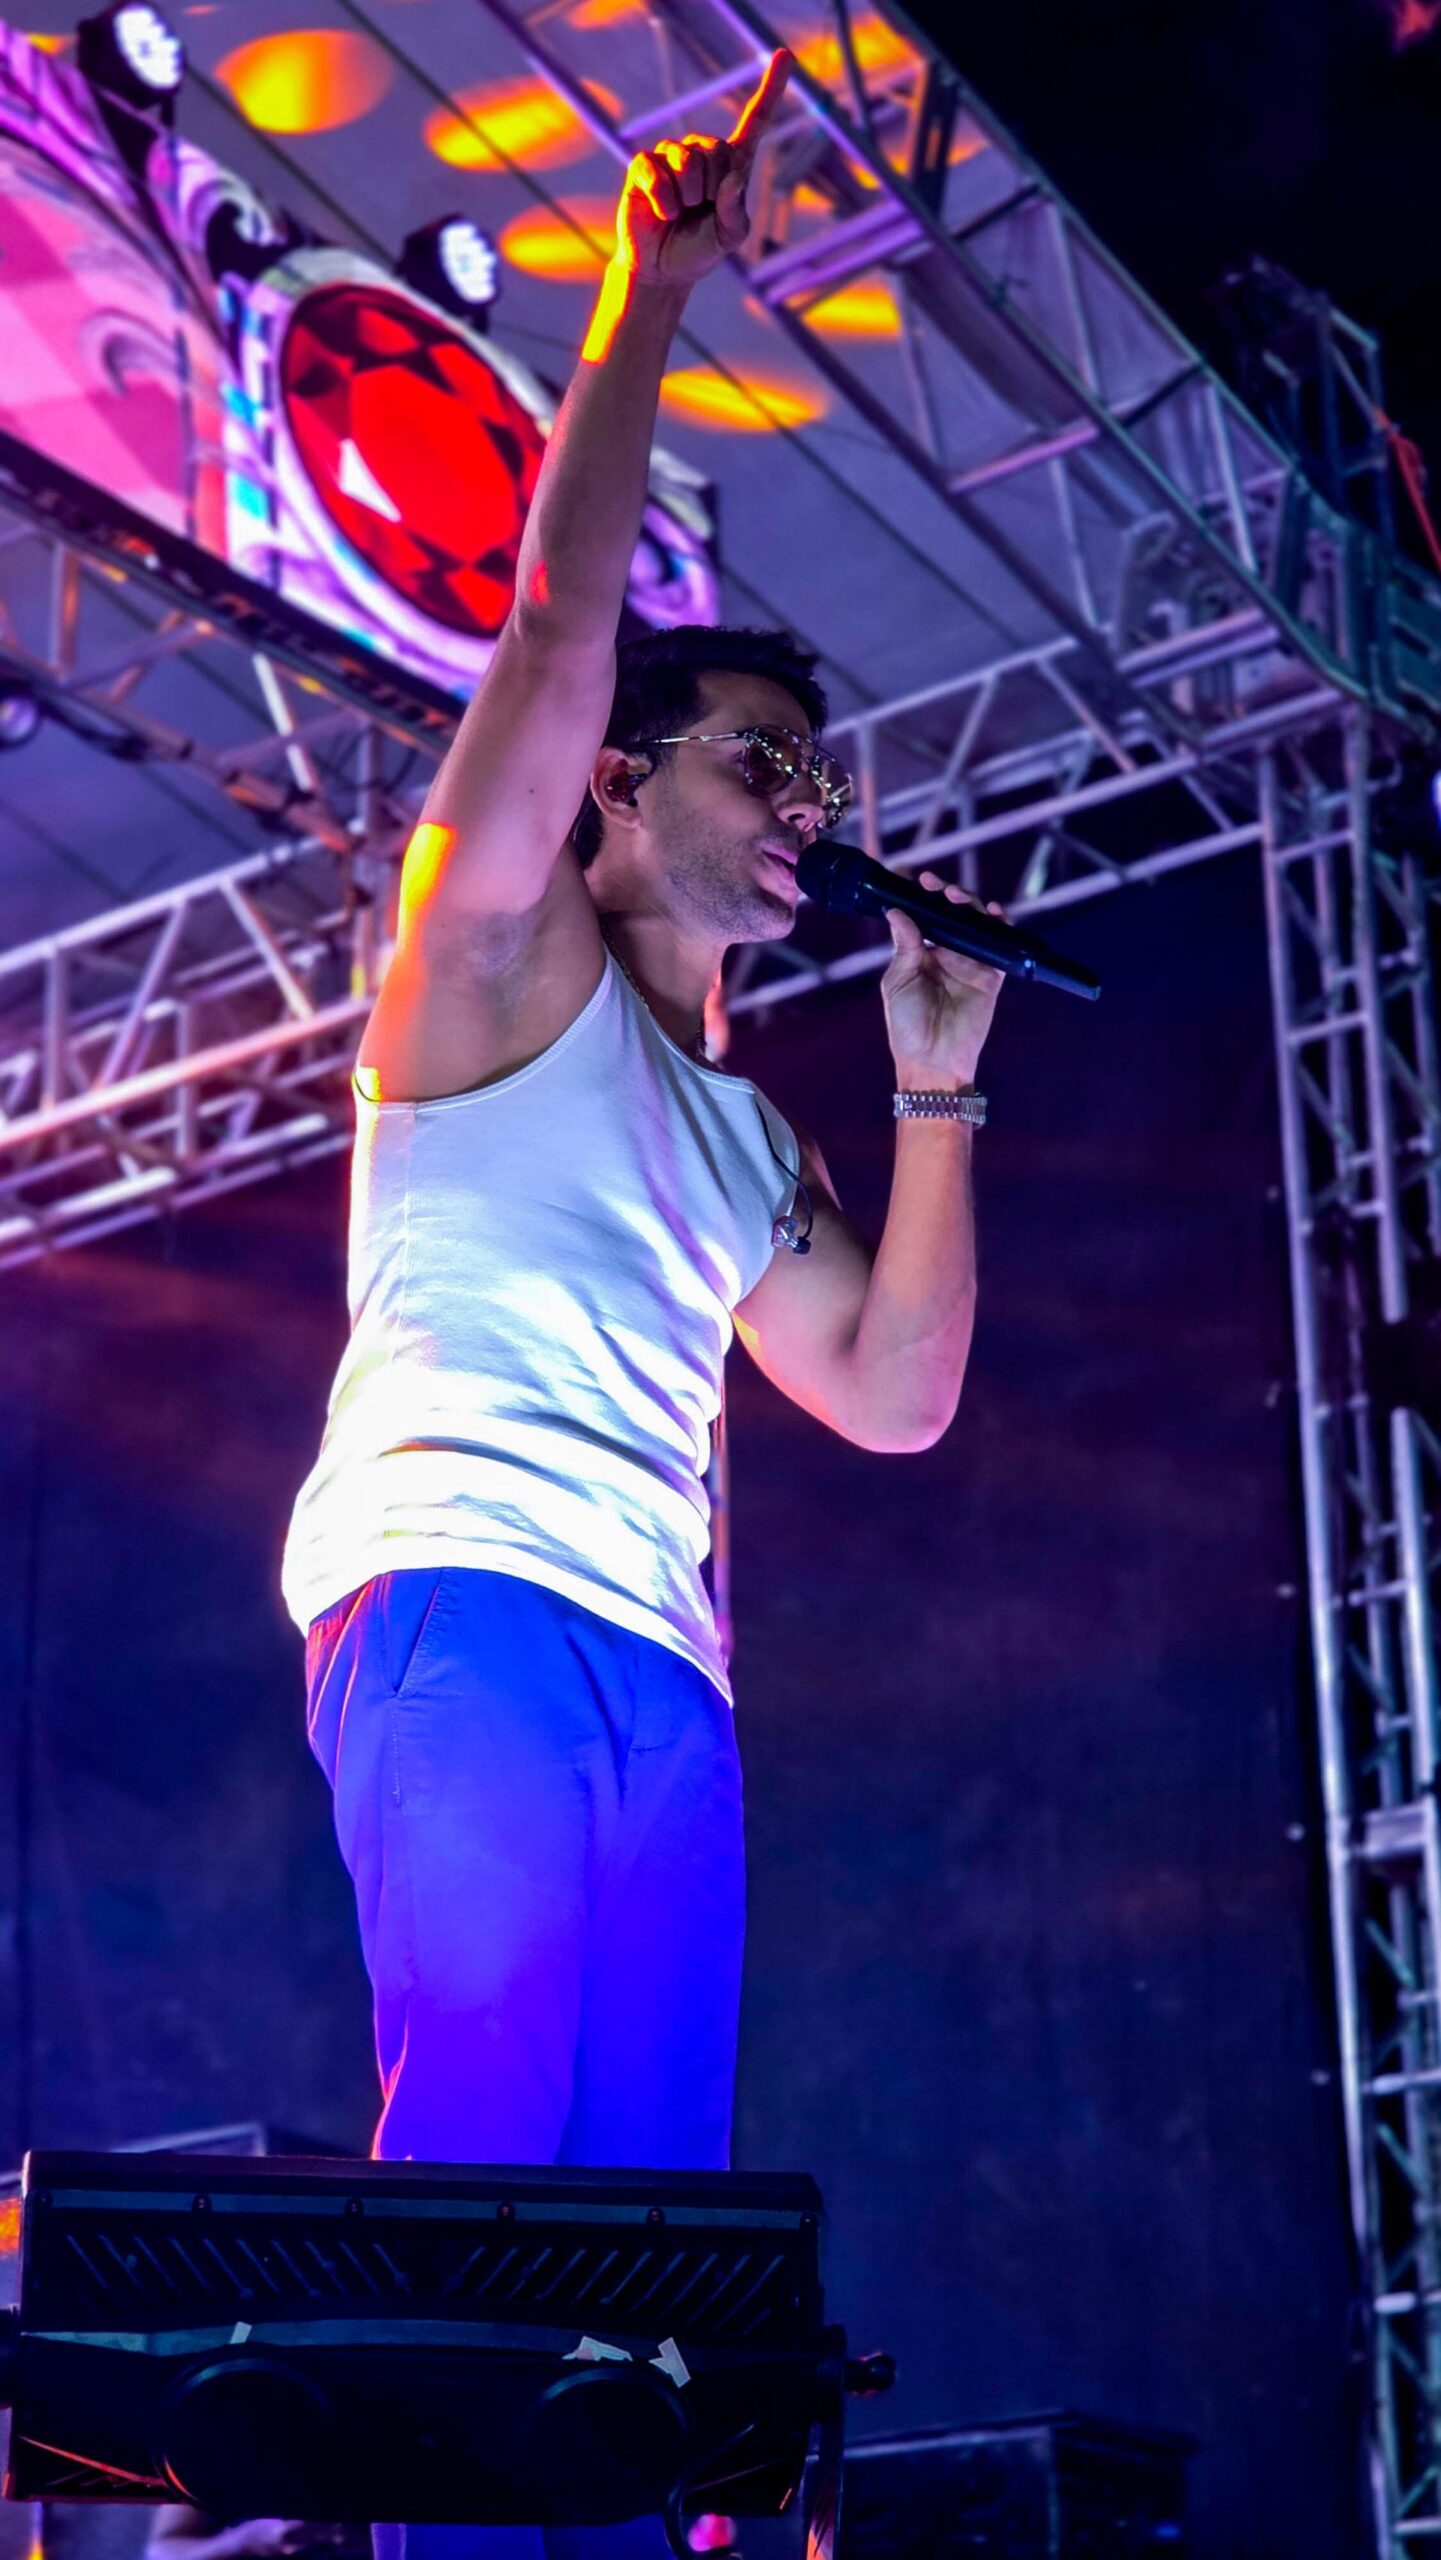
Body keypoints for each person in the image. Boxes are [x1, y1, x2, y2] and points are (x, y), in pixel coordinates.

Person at [282, 47, 1003, 2560]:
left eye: (823, 788)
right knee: (486, 2147)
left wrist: (934, 1088)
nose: (807, 814)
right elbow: (561, 623)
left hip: (664, 1678)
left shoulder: (747, 1132)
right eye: (760, 769)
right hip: (461, 1598)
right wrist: (643, 298)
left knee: (647, 2250)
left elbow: (893, 1394)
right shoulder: (497, 957)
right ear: (617, 781)